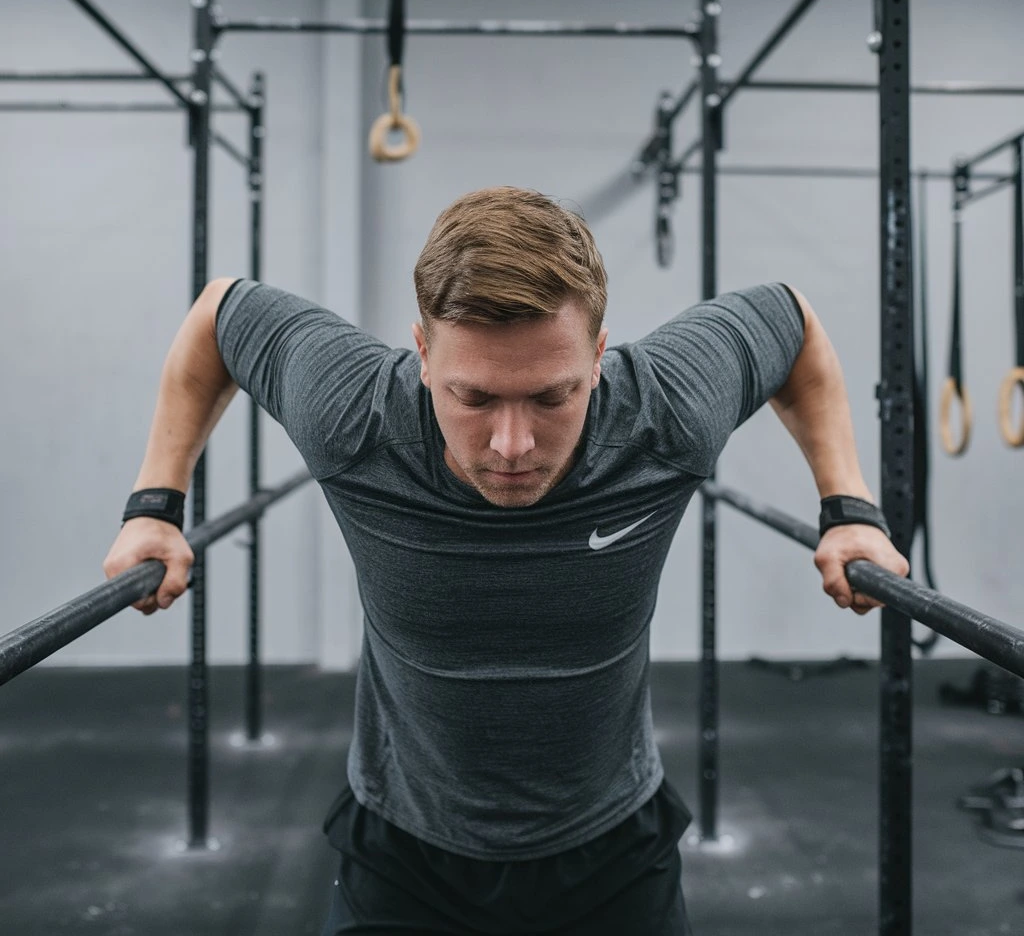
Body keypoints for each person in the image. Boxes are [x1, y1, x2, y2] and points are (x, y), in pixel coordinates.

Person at [103, 186, 909, 935]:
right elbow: (218, 316)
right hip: (402, 848)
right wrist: (154, 508)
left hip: (613, 847)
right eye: (475, 397)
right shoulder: (355, 412)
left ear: (599, 354)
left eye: (553, 395)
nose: (512, 445)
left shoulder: (665, 411)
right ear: (421, 354)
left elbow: (790, 322)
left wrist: (850, 511)